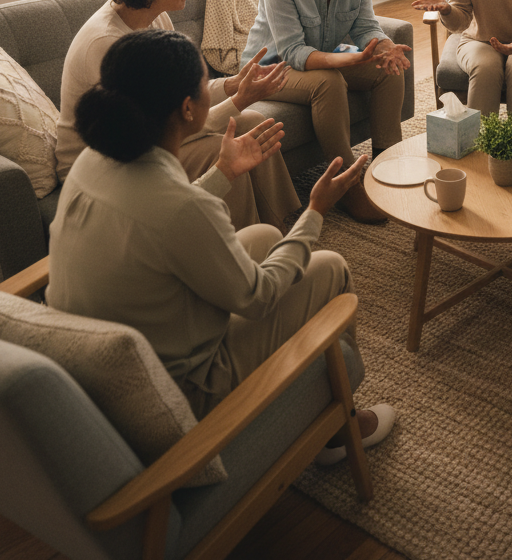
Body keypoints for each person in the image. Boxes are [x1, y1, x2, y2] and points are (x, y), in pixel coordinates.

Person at [48, 28, 396, 455]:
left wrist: (223, 174)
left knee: (266, 235)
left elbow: (163, 217)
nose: (210, 87)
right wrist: (315, 211)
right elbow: (258, 296)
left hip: (116, 362)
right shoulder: (178, 207)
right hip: (189, 389)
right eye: (205, 81)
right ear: (188, 108)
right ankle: (341, 430)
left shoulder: (94, 159)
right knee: (330, 267)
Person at [56, 0, 301, 231]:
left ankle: (280, 227)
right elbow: (167, 128)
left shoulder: (155, 17)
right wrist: (239, 99)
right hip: (109, 164)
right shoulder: (108, 44)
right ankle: (243, 250)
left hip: (147, 137)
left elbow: (181, 94)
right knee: (222, 150)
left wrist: (233, 84)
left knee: (253, 122)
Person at [243, 0, 410, 224]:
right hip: (271, 70)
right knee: (329, 81)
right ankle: (347, 187)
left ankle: (386, 166)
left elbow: (364, 25)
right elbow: (292, 52)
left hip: (317, 59)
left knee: (387, 70)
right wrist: (346, 60)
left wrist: (383, 46)